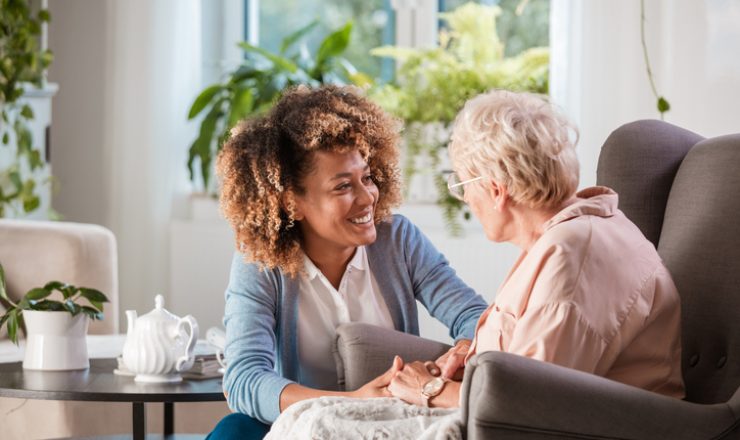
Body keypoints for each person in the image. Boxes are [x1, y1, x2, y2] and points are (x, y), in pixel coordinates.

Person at [206, 85, 488, 439]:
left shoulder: (398, 240)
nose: (367, 196)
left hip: (390, 419)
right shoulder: (260, 264)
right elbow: (245, 379)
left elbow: (475, 318)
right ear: (291, 203)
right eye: (342, 187)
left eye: (366, 178)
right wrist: (348, 401)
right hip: (301, 423)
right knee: (232, 431)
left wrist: (458, 355)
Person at [385, 89, 685, 409]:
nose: (467, 199)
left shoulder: (572, 256)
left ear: (496, 190)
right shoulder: (576, 232)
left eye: (462, 186)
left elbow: (529, 403)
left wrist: (430, 390)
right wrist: (473, 357)